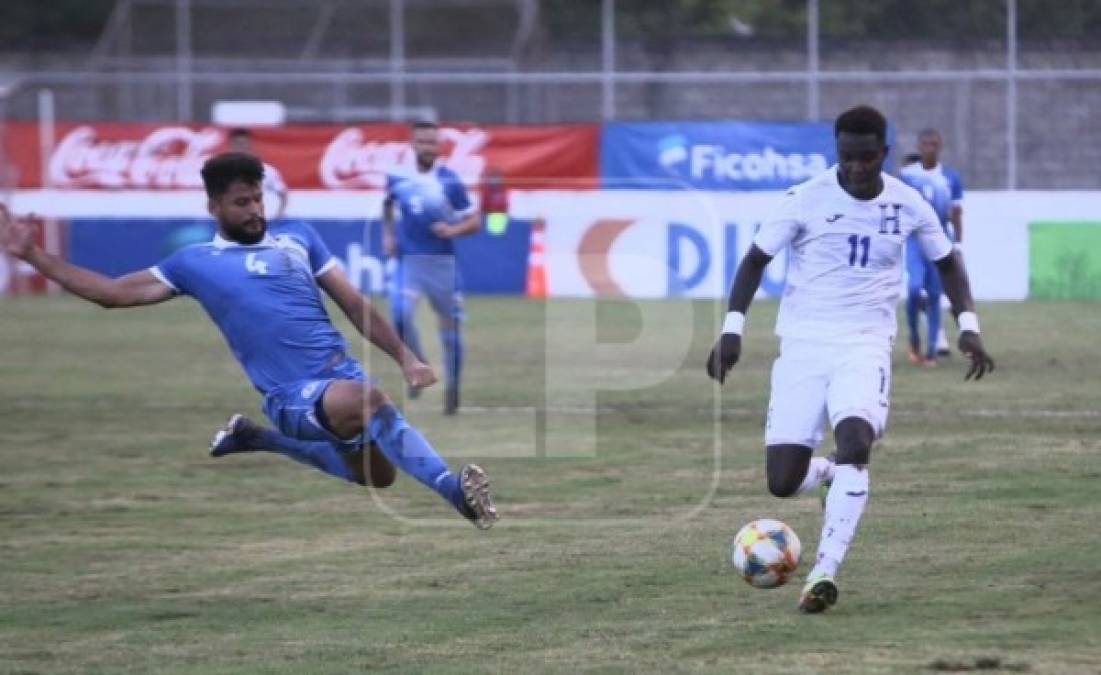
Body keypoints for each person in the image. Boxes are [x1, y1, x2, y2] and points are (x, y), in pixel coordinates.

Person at [0, 153, 498, 530]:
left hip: (339, 379)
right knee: (370, 402)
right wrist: (32, 255)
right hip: (290, 396)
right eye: (241, 203)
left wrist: (407, 358)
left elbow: (353, 304)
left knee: (378, 476)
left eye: (258, 199)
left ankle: (256, 438)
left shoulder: (299, 237)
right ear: (214, 205)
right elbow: (111, 293)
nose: (254, 210)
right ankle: (453, 492)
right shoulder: (194, 263)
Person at [706, 105, 994, 613]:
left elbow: (947, 262)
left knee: (857, 440)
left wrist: (967, 326)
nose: (855, 168)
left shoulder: (909, 203)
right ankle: (834, 474)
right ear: (836, 154)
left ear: (882, 154)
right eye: (846, 158)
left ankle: (824, 571)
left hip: (864, 344)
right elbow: (755, 260)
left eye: (865, 158)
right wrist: (732, 329)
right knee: (782, 483)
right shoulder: (804, 199)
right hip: (802, 346)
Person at [382, 121, 480, 415]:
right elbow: (388, 205)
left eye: (433, 143)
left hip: (441, 264)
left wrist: (452, 231)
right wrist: (388, 234)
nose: (428, 147)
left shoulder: (449, 181)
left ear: (439, 147)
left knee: (449, 333)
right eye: (423, 142)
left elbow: (475, 222)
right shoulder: (397, 176)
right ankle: (418, 364)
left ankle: (452, 391)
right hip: (409, 262)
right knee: (399, 315)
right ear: (412, 145)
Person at [901, 129, 965, 361]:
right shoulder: (906, 176)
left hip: (940, 239)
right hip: (915, 240)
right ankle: (914, 338)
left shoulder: (951, 177)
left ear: (940, 147)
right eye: (926, 144)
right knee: (914, 288)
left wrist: (958, 243)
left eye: (934, 145)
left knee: (936, 294)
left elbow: (956, 211)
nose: (930, 149)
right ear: (919, 147)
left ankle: (930, 353)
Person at [228, 127, 289, 222]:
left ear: (249, 145)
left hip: (258, 222)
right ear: (231, 146)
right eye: (237, 144)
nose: (240, 148)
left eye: (244, 144)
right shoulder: (223, 171)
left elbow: (283, 194)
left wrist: (278, 215)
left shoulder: (267, 170)